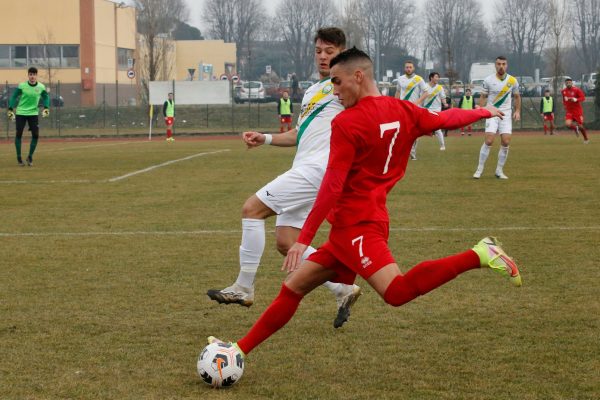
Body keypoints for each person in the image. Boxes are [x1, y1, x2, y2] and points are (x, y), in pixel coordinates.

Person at [207, 47, 521, 362]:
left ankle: (480, 254)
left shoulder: (347, 122)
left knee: (396, 292)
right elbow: (445, 119)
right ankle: (237, 351)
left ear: (358, 77)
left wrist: (303, 241)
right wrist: (483, 113)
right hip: (354, 227)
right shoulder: (403, 110)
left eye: (338, 82)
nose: (335, 91)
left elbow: (331, 186)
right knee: (292, 288)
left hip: (358, 229)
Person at [207, 27, 362, 329]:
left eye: (328, 52)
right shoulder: (313, 91)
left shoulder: (344, 87)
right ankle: (342, 288)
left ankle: (244, 287)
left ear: (341, 53)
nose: (321, 56)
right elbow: (298, 134)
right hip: (304, 169)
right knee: (286, 241)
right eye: (318, 51)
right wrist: (263, 138)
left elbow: (368, 113)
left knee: (251, 209)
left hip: (318, 171)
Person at [473, 56, 521, 180]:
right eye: (499, 64)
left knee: (506, 142)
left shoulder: (512, 80)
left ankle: (499, 171)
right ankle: (479, 169)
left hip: (505, 115)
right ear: (495, 65)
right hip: (491, 113)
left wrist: (517, 111)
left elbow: (516, 97)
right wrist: (481, 111)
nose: (501, 66)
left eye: (503, 64)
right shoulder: (488, 80)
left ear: (507, 65)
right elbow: (483, 96)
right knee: (489, 140)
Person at [7, 67, 49, 166]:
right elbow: (14, 96)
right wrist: (10, 109)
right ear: (28, 75)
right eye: (30, 74)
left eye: (34, 74)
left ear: (36, 75)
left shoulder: (41, 87)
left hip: (33, 114)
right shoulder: (22, 86)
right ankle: (19, 158)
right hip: (21, 113)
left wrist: (46, 108)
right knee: (19, 134)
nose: (32, 76)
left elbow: (46, 97)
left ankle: (30, 157)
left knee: (36, 135)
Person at [395, 60, 427, 160]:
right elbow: (398, 92)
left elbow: (426, 93)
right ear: (405, 68)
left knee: (414, 131)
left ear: (413, 68)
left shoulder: (419, 79)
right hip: (402, 109)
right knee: (402, 131)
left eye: (410, 67)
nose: (408, 69)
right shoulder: (400, 79)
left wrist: (417, 102)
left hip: (415, 109)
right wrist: (395, 104)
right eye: (407, 67)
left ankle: (413, 152)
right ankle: (402, 151)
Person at [416, 71, 448, 150]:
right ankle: (413, 149)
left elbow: (442, 97)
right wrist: (419, 106)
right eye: (436, 77)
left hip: (437, 110)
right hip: (426, 109)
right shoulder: (425, 87)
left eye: (438, 77)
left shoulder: (439, 87)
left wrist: (445, 103)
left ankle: (442, 145)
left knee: (437, 129)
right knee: (420, 128)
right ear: (431, 78)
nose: (438, 78)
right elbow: (421, 97)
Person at [561, 78, 589, 144]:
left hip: (577, 111)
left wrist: (576, 99)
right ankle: (575, 128)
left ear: (572, 83)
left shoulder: (577, 90)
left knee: (581, 127)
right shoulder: (563, 91)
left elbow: (583, 98)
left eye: (569, 82)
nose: (568, 84)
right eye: (567, 83)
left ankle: (586, 139)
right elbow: (564, 100)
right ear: (565, 84)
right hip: (569, 111)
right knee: (567, 124)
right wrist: (565, 105)